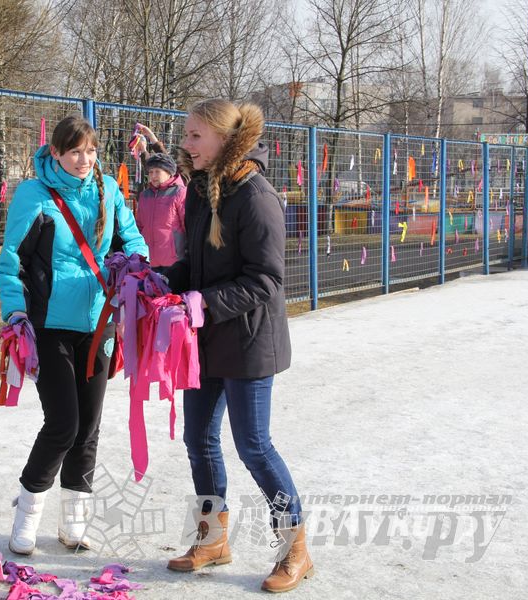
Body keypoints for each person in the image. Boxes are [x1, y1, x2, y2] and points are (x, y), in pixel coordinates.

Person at [161, 99, 312, 593]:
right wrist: (157, 280)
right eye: (186, 134)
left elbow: (267, 279)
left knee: (253, 445)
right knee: (199, 439)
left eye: (195, 135)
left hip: (248, 341)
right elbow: (197, 267)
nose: (185, 143)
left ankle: (296, 547)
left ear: (224, 140)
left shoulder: (256, 195)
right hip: (204, 338)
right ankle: (212, 539)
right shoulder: (203, 191)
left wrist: (201, 302)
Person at [0, 116, 148, 555]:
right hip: (48, 326)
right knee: (63, 424)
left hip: (99, 325)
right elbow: (10, 263)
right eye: (75, 151)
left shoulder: (108, 190)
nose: (85, 160)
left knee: (89, 428)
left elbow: (133, 241)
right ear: (57, 153)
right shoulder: (33, 195)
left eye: (91, 151)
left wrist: (136, 269)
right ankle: (26, 513)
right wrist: (16, 315)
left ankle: (73, 523)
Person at [135, 152, 187, 268]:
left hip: (174, 262)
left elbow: (187, 226)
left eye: (157, 171)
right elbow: (139, 226)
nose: (153, 176)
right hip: (148, 260)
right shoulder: (144, 196)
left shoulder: (179, 193)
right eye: (150, 172)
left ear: (169, 172)